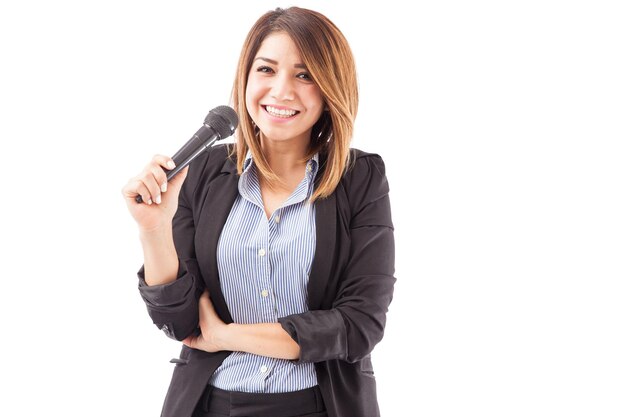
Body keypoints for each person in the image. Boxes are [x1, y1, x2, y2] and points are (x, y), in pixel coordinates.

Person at [122, 6, 395, 417]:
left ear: (331, 87)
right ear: (245, 78)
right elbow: (180, 323)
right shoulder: (204, 172)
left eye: (304, 75)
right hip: (210, 404)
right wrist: (154, 230)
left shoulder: (360, 179)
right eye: (266, 70)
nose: (281, 91)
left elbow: (359, 325)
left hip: (320, 405)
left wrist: (227, 335)